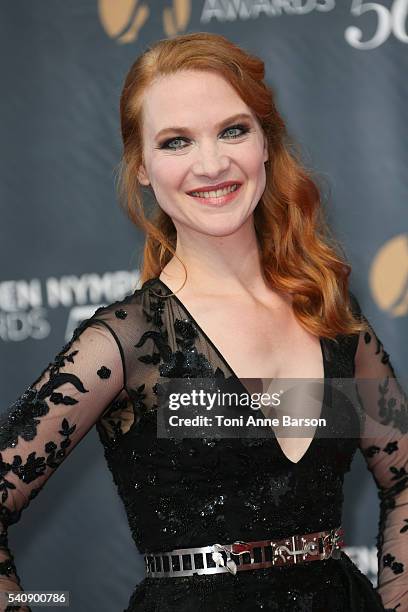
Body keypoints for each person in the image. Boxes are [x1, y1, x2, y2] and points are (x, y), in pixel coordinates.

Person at [0, 31, 407, 612]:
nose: (212, 163)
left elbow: (404, 480)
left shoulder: (328, 314)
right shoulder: (127, 344)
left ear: (266, 142)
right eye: (176, 141)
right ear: (142, 167)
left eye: (233, 130)